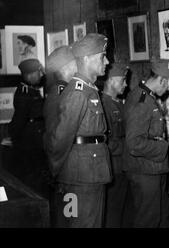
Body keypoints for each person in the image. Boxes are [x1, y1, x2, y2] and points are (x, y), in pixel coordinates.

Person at [47, 33, 111, 228]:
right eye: (102, 56)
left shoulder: (88, 89)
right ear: (86, 59)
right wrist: (57, 171)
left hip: (87, 173)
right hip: (81, 176)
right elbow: (61, 138)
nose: (106, 61)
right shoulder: (78, 92)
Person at [123, 60, 169, 228]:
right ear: (162, 80)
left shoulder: (146, 96)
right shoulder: (142, 100)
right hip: (144, 171)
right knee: (149, 220)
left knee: (163, 216)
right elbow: (134, 143)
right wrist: (163, 147)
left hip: (151, 169)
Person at [42, 45, 77, 227]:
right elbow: (53, 137)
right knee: (68, 217)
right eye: (74, 62)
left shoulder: (66, 91)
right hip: (64, 170)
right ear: (65, 67)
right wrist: (59, 172)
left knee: (73, 217)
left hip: (68, 168)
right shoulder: (59, 94)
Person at [8, 58, 48, 196]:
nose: (42, 75)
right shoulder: (24, 93)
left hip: (34, 143)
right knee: (34, 184)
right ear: (30, 75)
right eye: (39, 72)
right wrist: (14, 138)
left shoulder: (31, 90)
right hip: (30, 146)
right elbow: (19, 121)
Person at [101, 62, 129, 228]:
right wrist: (130, 146)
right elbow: (106, 142)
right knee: (112, 212)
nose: (125, 84)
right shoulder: (103, 105)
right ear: (110, 81)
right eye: (122, 80)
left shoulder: (119, 103)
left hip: (123, 167)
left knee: (122, 212)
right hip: (113, 168)